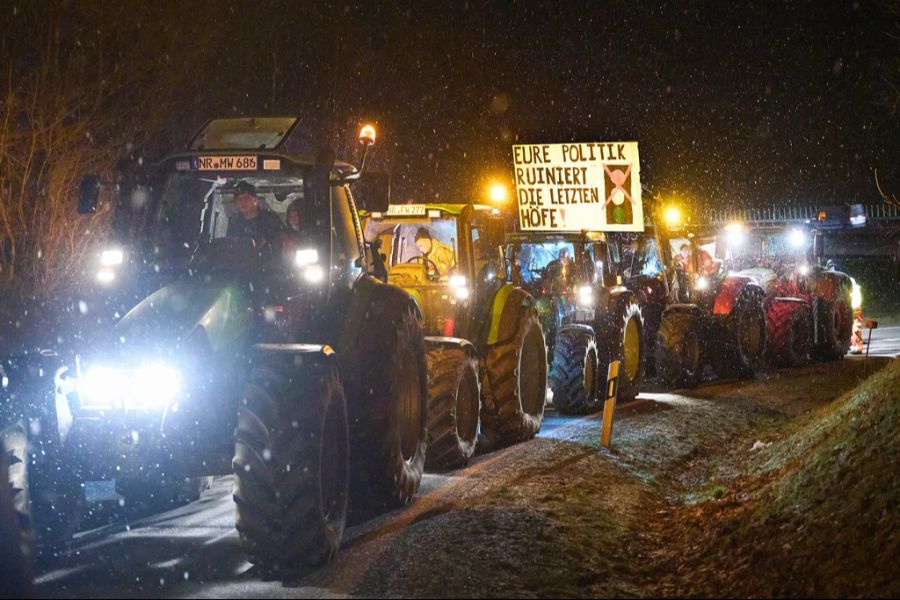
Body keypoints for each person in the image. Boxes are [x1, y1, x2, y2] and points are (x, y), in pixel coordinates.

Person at [226, 181, 285, 253]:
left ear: (256, 200)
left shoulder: (270, 219)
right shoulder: (234, 221)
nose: (242, 202)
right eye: (239, 199)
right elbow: (230, 246)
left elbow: (281, 244)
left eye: (246, 198)